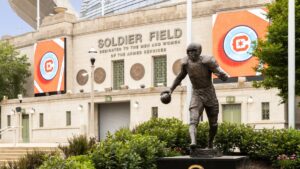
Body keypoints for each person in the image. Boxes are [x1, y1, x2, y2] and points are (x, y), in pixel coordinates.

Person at [163, 43, 228, 148]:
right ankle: (193, 142)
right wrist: (170, 90)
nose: (191, 54)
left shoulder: (207, 61)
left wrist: (223, 75)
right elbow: (179, 77)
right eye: (189, 52)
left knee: (213, 124)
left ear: (199, 52)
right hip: (196, 93)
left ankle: (210, 143)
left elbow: (219, 71)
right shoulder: (186, 63)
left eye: (194, 51)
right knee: (193, 119)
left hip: (209, 93)